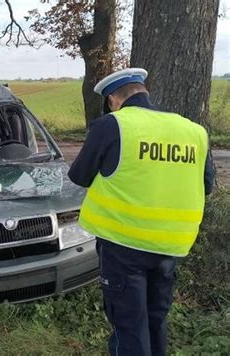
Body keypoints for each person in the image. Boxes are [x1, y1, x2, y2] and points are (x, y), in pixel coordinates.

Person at [68, 68, 214, 356]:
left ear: (113, 99)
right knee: (156, 321)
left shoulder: (112, 126)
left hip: (124, 247)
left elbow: (80, 176)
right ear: (144, 92)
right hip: (170, 247)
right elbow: (206, 185)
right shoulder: (194, 131)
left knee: (129, 327)